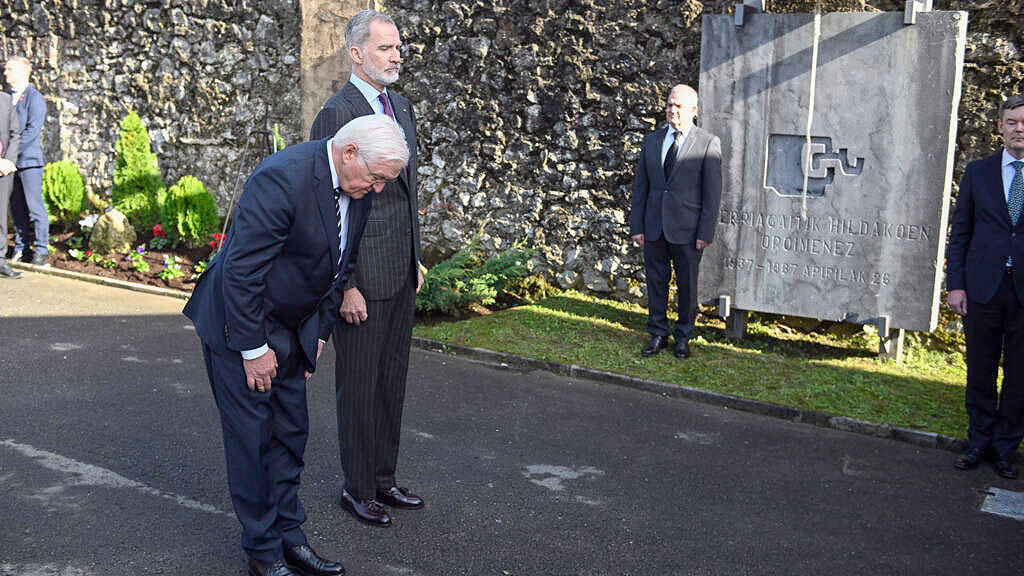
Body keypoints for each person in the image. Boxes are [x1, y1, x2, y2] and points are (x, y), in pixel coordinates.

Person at [184, 114, 409, 576]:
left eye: (387, 180)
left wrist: (318, 336)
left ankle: (291, 539)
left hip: (292, 330)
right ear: (350, 153)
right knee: (253, 443)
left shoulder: (358, 186)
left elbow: (341, 265)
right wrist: (253, 349)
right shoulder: (282, 178)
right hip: (239, 327)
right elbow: (242, 273)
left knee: (289, 438)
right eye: (377, 177)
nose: (380, 189)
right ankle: (264, 553)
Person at [309, 9, 424, 528]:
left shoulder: (401, 107)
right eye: (385, 48)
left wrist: (416, 256)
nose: (396, 55)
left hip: (400, 269)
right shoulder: (338, 113)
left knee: (391, 379)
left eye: (398, 47)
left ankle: (383, 478)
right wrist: (345, 285)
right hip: (361, 277)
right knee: (357, 383)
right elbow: (329, 203)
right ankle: (357, 489)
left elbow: (405, 192)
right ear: (356, 54)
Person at [946, 93, 1024, 480]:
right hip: (981, 289)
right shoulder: (977, 173)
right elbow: (960, 233)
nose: (1019, 129)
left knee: (1020, 375)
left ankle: (1005, 448)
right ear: (999, 127)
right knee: (979, 369)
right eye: (1011, 122)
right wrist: (955, 285)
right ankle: (977, 441)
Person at [629, 84, 722, 360]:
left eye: (679, 106)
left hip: (688, 230)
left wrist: (705, 231)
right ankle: (658, 333)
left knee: (687, 286)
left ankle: (683, 337)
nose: (672, 110)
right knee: (656, 282)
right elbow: (641, 187)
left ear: (694, 110)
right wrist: (638, 226)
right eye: (670, 105)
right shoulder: (652, 141)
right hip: (654, 226)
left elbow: (712, 193)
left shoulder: (707, 143)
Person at [4, 56, 48, 266]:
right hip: (9, 164)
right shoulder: (6, 99)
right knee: (17, 208)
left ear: (23, 71)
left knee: (34, 206)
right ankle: (21, 247)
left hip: (28, 162)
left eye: (10, 69)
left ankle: (41, 249)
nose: (5, 73)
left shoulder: (34, 98)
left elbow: (31, 131)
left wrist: (11, 155)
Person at [0, 89, 21, 279]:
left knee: (0, 217)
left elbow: (15, 134)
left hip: (3, 169)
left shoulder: (6, 100)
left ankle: (0, 260)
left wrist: (8, 161)